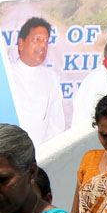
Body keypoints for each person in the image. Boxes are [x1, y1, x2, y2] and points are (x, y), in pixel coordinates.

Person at [7, 17, 67, 145]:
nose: (43, 45)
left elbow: (56, 126)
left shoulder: (52, 79)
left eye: (46, 41)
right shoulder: (7, 76)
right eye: (37, 39)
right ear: (21, 44)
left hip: (40, 157)